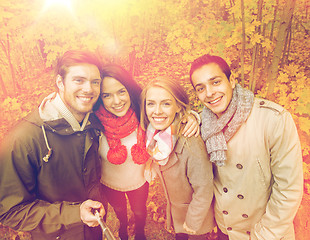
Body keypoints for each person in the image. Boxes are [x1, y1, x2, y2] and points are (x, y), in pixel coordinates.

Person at [189, 54, 303, 240]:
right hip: (226, 229)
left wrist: (265, 235)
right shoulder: (203, 125)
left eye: (216, 82)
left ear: (232, 80)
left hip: (265, 232)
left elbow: (288, 189)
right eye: (201, 88)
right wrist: (191, 116)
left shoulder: (273, 119)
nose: (209, 93)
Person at [0, 50, 106, 240]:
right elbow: (10, 210)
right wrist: (75, 214)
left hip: (94, 231)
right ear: (60, 82)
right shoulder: (23, 139)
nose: (89, 89)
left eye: (95, 82)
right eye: (79, 80)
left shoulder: (94, 125)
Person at [94, 64, 200, 240]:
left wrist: (192, 117)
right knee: (120, 211)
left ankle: (140, 233)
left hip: (139, 182)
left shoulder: (143, 114)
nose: (116, 101)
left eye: (121, 92)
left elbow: (170, 114)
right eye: (107, 95)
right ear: (100, 98)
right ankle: (123, 229)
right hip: (110, 184)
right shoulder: (95, 123)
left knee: (139, 211)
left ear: (129, 90)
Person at [140, 77, 215, 240]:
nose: (157, 111)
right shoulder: (154, 135)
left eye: (166, 103)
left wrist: (192, 223)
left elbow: (204, 188)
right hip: (177, 214)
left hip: (196, 218)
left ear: (178, 106)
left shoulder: (190, 142)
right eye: (151, 103)